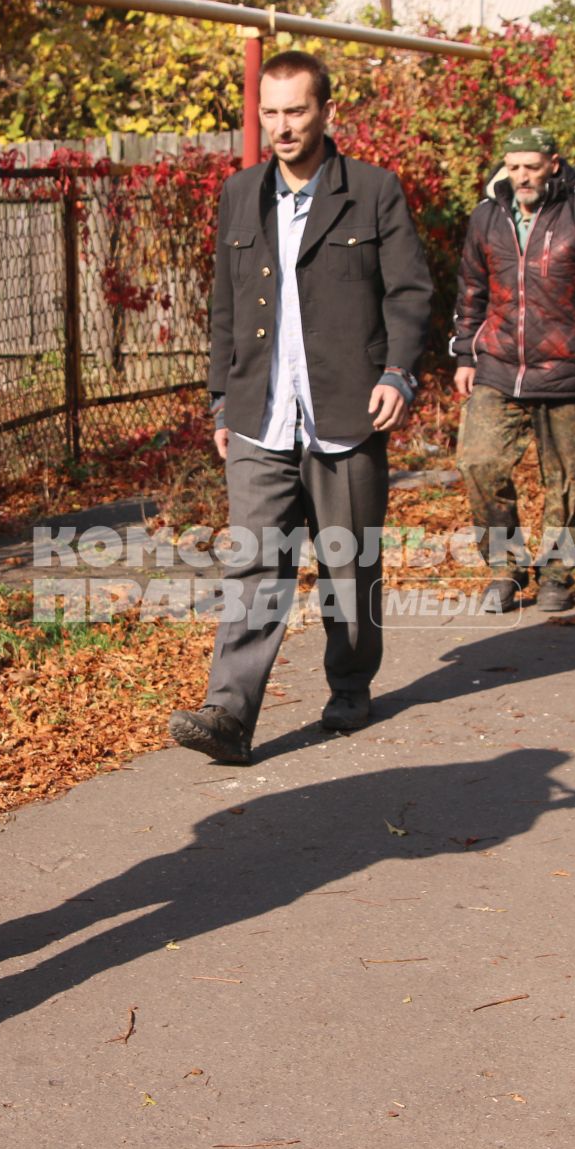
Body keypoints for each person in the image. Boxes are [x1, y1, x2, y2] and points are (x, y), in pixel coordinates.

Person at [168, 49, 431, 765]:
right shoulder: (239, 194)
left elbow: (409, 292)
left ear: (325, 112)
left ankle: (350, 683)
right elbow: (225, 305)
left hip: (348, 408)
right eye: (271, 113)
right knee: (256, 563)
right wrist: (222, 400)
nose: (283, 127)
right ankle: (229, 713)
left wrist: (399, 372)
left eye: (296, 111)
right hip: (260, 412)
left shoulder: (373, 192)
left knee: (349, 564)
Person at [448, 127, 575, 613]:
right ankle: (506, 569)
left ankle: (557, 574)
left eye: (531, 166)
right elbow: (471, 289)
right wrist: (464, 354)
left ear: (554, 163)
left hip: (568, 368)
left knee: (569, 477)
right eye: (514, 166)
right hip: (498, 365)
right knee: (478, 462)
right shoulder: (487, 216)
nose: (522, 176)